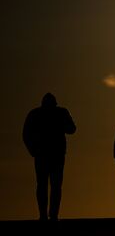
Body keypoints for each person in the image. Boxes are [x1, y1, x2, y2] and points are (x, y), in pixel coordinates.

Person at [23, 93, 76, 221]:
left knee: (46, 185)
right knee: (51, 185)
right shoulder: (60, 112)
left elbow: (72, 129)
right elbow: (72, 129)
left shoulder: (36, 113)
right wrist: (33, 150)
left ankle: (48, 215)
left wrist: (33, 150)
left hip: (47, 154)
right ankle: (50, 215)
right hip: (51, 154)